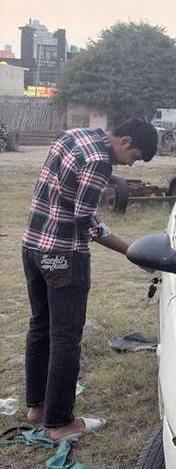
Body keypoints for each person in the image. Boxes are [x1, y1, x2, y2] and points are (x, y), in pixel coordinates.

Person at [21, 119, 158, 440]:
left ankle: (37, 408)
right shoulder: (100, 160)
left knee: (40, 327)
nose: (130, 163)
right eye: (134, 157)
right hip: (64, 255)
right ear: (124, 141)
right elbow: (87, 222)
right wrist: (132, 251)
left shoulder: (73, 135)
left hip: (32, 247)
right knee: (66, 339)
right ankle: (59, 423)